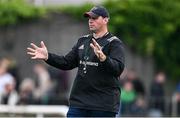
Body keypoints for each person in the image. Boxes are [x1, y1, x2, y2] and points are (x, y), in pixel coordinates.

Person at [27, 6, 125, 117]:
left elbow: (118, 69)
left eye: (95, 18)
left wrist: (104, 58)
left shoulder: (114, 43)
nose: (90, 21)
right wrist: (47, 57)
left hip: (102, 105)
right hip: (79, 103)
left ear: (106, 20)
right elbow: (66, 62)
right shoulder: (83, 40)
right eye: (89, 18)